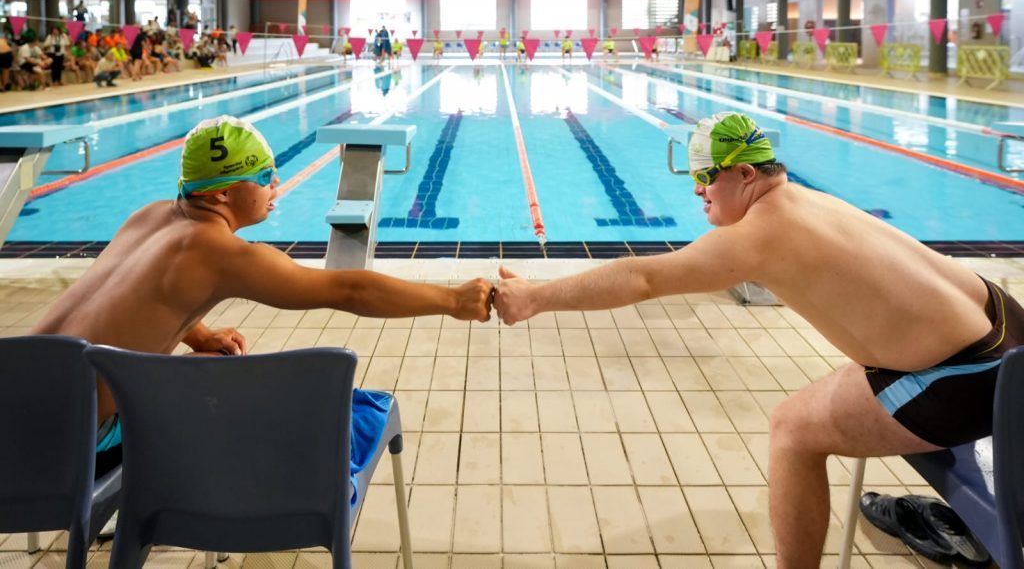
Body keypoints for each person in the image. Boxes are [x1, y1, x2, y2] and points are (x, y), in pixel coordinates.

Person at [493, 111, 1024, 568]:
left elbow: (643, 278)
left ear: (745, 173)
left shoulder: (760, 236)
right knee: (841, 387)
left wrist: (536, 296)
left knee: (792, 431)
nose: (696, 189)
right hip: (1006, 326)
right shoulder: (810, 202)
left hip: (966, 378)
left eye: (705, 177)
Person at [30, 116, 493, 474]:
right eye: (266, 175)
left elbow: (138, 296)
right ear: (223, 195)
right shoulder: (220, 253)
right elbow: (350, 288)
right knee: (227, 386)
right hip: (64, 453)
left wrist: (201, 335)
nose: (277, 185)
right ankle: (149, 498)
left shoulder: (148, 217)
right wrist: (453, 301)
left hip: (14, 401)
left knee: (208, 362)